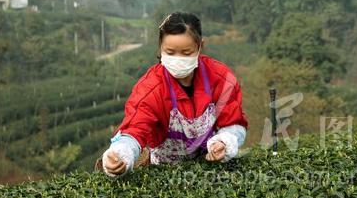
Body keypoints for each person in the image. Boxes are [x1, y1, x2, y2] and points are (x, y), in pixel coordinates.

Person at [99, 12, 248, 176]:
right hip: (164, 173)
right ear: (160, 48)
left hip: (210, 169)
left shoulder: (220, 78)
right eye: (170, 52)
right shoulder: (151, 88)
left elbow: (235, 124)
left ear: (200, 46)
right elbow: (135, 128)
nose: (178, 59)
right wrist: (121, 154)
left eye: (186, 53)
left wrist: (225, 142)